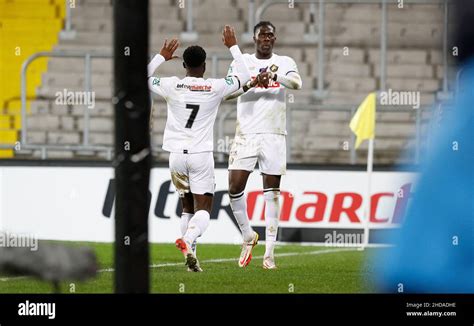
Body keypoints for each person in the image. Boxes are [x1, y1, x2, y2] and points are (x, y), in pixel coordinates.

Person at [147, 26, 251, 272]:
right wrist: (232, 46)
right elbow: (245, 76)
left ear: (184, 65)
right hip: (200, 155)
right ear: (204, 66)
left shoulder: (172, 85)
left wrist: (161, 55)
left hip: (175, 156)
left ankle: (190, 258)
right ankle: (189, 240)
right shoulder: (215, 87)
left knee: (186, 206)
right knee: (204, 208)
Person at [224, 21, 302, 269]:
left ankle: (269, 253)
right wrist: (249, 83)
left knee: (272, 193)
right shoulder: (242, 62)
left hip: (274, 133)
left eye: (270, 34)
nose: (266, 38)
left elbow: (297, 84)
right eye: (262, 35)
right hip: (245, 133)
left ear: (274, 39)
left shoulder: (286, 62)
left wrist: (274, 75)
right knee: (234, 188)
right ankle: (248, 236)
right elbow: (227, 93)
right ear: (255, 38)